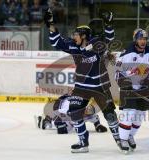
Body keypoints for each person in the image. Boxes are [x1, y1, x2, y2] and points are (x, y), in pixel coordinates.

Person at [44, 9, 120, 153]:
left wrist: (109, 23)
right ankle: (83, 143)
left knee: (109, 114)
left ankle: (119, 140)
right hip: (81, 87)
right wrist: (51, 24)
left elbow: (109, 38)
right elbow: (57, 41)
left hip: (100, 86)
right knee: (74, 112)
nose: (74, 36)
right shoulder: (73, 46)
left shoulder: (96, 44)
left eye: (76, 34)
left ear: (84, 36)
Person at [115, 28, 149, 154]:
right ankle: (122, 139)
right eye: (140, 39)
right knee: (129, 114)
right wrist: (125, 84)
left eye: (144, 39)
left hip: (143, 89)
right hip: (128, 88)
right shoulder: (126, 53)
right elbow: (117, 72)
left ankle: (130, 135)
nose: (143, 41)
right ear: (135, 40)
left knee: (140, 115)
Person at [35, 94, 107, 134]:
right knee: (63, 129)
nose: (87, 113)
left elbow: (95, 118)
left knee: (66, 128)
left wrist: (98, 126)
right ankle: (46, 120)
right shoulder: (67, 109)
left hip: (69, 109)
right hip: (64, 109)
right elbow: (58, 112)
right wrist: (59, 124)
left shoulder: (89, 114)